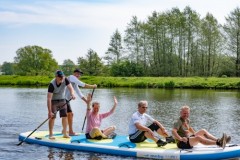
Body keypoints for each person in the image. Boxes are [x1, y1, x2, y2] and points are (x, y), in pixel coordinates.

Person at [65, 68, 97, 136]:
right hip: (62, 98)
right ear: (74, 73)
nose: (78, 75)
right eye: (77, 73)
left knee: (69, 114)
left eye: (79, 74)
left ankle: (64, 131)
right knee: (70, 114)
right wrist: (92, 86)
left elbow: (79, 93)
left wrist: (86, 102)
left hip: (66, 100)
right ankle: (70, 132)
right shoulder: (71, 77)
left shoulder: (74, 82)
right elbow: (82, 84)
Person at [47, 70, 76, 139]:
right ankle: (51, 134)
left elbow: (71, 88)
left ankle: (65, 133)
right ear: (56, 77)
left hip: (62, 100)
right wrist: (49, 111)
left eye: (62, 77)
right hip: (53, 101)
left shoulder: (65, 80)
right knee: (52, 117)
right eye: (60, 77)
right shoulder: (52, 84)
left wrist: (72, 94)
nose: (61, 78)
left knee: (64, 116)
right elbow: (49, 98)